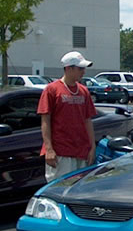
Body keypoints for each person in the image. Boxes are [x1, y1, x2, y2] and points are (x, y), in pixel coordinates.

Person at [38, 51, 97, 182]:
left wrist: (92, 147)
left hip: (82, 152)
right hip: (61, 152)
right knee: (61, 188)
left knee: (79, 188)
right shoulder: (52, 90)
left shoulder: (84, 91)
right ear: (69, 68)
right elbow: (45, 120)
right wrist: (49, 149)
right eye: (80, 68)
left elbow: (88, 120)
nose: (83, 72)